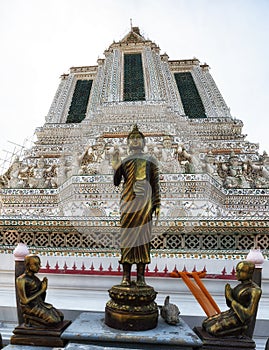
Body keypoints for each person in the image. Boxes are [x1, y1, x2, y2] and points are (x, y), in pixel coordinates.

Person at [112, 125, 160, 287]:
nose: (135, 141)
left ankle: (140, 276)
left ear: (143, 142)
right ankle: (126, 276)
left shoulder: (150, 161)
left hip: (145, 202)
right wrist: (116, 166)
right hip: (128, 201)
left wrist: (157, 204)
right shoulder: (125, 161)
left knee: (143, 238)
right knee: (127, 237)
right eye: (132, 139)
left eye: (138, 138)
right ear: (128, 142)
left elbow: (155, 184)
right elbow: (117, 182)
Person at [202, 260, 262, 337]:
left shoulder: (255, 290)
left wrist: (231, 299)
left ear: (250, 273)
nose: (237, 274)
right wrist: (228, 294)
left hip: (240, 320)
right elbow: (230, 305)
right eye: (237, 270)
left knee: (212, 330)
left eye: (241, 271)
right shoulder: (239, 286)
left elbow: (248, 314)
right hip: (231, 313)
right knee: (205, 324)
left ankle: (239, 331)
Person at [16, 254, 64, 327]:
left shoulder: (35, 278)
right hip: (30, 307)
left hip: (39, 304)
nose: (39, 267)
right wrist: (41, 290)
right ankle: (30, 319)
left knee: (60, 316)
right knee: (53, 321)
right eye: (35, 264)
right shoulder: (21, 279)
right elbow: (24, 301)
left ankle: (34, 321)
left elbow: (41, 298)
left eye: (39, 264)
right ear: (28, 265)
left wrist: (44, 289)